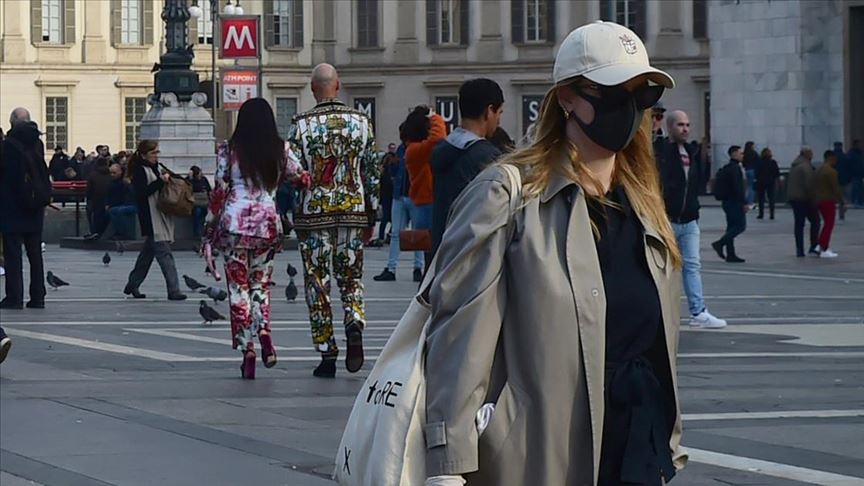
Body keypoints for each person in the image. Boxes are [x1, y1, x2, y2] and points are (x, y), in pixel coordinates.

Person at [422, 21, 684, 486]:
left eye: (641, 94)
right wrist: (448, 463)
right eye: (612, 92)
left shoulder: (645, 203)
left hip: (637, 450)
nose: (628, 108)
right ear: (566, 97)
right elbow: (459, 335)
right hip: (542, 458)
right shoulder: (506, 196)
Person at [287, 63, 379, 378]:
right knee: (351, 277)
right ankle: (354, 321)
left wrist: (294, 204)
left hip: (314, 213)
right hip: (353, 209)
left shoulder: (300, 125)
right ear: (338, 86)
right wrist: (372, 213)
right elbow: (372, 171)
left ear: (313, 89)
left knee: (318, 281)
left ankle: (327, 352)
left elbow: (292, 171)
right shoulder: (362, 122)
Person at [203, 98, 298, 380]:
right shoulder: (280, 149)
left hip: (235, 223)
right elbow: (300, 176)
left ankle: (248, 349)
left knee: (238, 289)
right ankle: (264, 330)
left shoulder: (229, 149)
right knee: (261, 284)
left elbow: (219, 189)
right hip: (267, 224)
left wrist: (208, 228)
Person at [656, 110, 727, 328]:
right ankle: (661, 313)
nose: (685, 129)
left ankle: (698, 312)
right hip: (667, 219)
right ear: (670, 127)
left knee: (692, 265)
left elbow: (696, 183)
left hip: (689, 220)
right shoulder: (662, 151)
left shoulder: (692, 152)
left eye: (687, 125)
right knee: (664, 269)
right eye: (680, 125)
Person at [430, 78, 504, 256]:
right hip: (470, 254)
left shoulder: (442, 149)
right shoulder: (487, 157)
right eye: (499, 113)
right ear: (489, 111)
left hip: (440, 250)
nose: (499, 121)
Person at [123, 140, 186, 300]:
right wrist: (160, 182)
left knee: (147, 255)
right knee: (165, 254)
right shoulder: (140, 170)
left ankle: (133, 283)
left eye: (157, 152)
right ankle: (174, 290)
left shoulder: (157, 167)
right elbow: (141, 193)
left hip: (160, 214)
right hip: (151, 217)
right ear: (144, 155)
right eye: (153, 153)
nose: (156, 155)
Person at [0, 108, 50, 310]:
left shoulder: (8, 145)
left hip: (13, 207)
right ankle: (38, 296)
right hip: (35, 206)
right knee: (35, 254)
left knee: (13, 255)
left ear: (12, 122)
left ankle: (14, 297)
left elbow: (7, 178)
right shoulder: (37, 143)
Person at [374, 126, 425, 282]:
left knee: (417, 234)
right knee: (397, 233)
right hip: (401, 195)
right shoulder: (402, 149)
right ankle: (393, 268)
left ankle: (417, 267)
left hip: (412, 195)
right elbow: (395, 171)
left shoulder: (419, 148)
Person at [405, 105, 447, 268]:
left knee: (431, 261)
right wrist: (435, 117)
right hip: (429, 204)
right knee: (434, 261)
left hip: (424, 205)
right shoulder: (416, 150)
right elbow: (438, 138)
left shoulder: (413, 149)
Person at [711, 145, 749, 263]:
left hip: (727, 201)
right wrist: (744, 202)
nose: (742, 155)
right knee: (740, 226)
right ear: (734, 154)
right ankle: (720, 243)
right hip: (734, 201)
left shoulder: (728, 168)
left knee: (731, 227)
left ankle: (730, 254)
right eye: (740, 153)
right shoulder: (735, 169)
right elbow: (738, 187)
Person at [786, 147, 821, 257]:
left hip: (795, 198)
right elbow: (809, 184)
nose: (812, 155)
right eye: (811, 153)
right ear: (806, 154)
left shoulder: (795, 165)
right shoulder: (805, 166)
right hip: (804, 198)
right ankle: (813, 246)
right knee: (815, 221)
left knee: (799, 224)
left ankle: (799, 249)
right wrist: (814, 198)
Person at [812, 150, 846, 258]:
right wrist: (842, 201)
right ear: (831, 158)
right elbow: (836, 188)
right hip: (828, 200)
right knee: (829, 224)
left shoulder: (817, 170)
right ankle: (823, 248)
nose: (836, 161)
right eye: (835, 159)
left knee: (826, 224)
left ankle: (820, 245)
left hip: (818, 199)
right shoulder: (831, 172)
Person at [84, 157, 113, 240]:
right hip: (108, 200)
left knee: (93, 215)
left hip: (95, 200)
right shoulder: (110, 175)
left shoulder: (93, 175)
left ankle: (94, 232)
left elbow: (89, 191)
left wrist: (88, 198)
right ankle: (103, 233)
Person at [105, 163, 137, 240]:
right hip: (126, 203)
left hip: (132, 204)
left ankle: (122, 233)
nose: (112, 175)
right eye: (111, 173)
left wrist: (129, 184)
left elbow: (134, 194)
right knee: (113, 211)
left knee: (117, 211)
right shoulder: (114, 182)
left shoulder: (125, 182)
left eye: (114, 173)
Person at [376, 143, 398, 245]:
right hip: (388, 195)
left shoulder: (392, 163)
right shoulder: (387, 163)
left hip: (390, 194)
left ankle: (385, 236)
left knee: (389, 218)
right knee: (387, 218)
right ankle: (384, 236)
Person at [186, 165, 212, 238]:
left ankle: (207, 231)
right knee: (197, 212)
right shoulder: (190, 180)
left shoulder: (204, 179)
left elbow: (209, 189)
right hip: (195, 203)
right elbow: (186, 188)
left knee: (208, 214)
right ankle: (196, 233)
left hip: (204, 202)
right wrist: (190, 178)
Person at [755, 147, 780, 220]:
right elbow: (776, 173)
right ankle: (772, 214)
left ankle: (761, 214)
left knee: (761, 199)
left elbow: (757, 172)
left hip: (761, 182)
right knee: (771, 198)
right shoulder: (773, 162)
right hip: (771, 182)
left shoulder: (759, 162)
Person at [848, 139, 864, 207]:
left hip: (860, 175)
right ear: (855, 144)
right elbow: (849, 164)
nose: (861, 145)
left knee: (860, 189)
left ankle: (860, 202)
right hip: (854, 174)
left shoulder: (861, 153)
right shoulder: (851, 153)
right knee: (855, 188)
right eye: (859, 144)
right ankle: (855, 202)